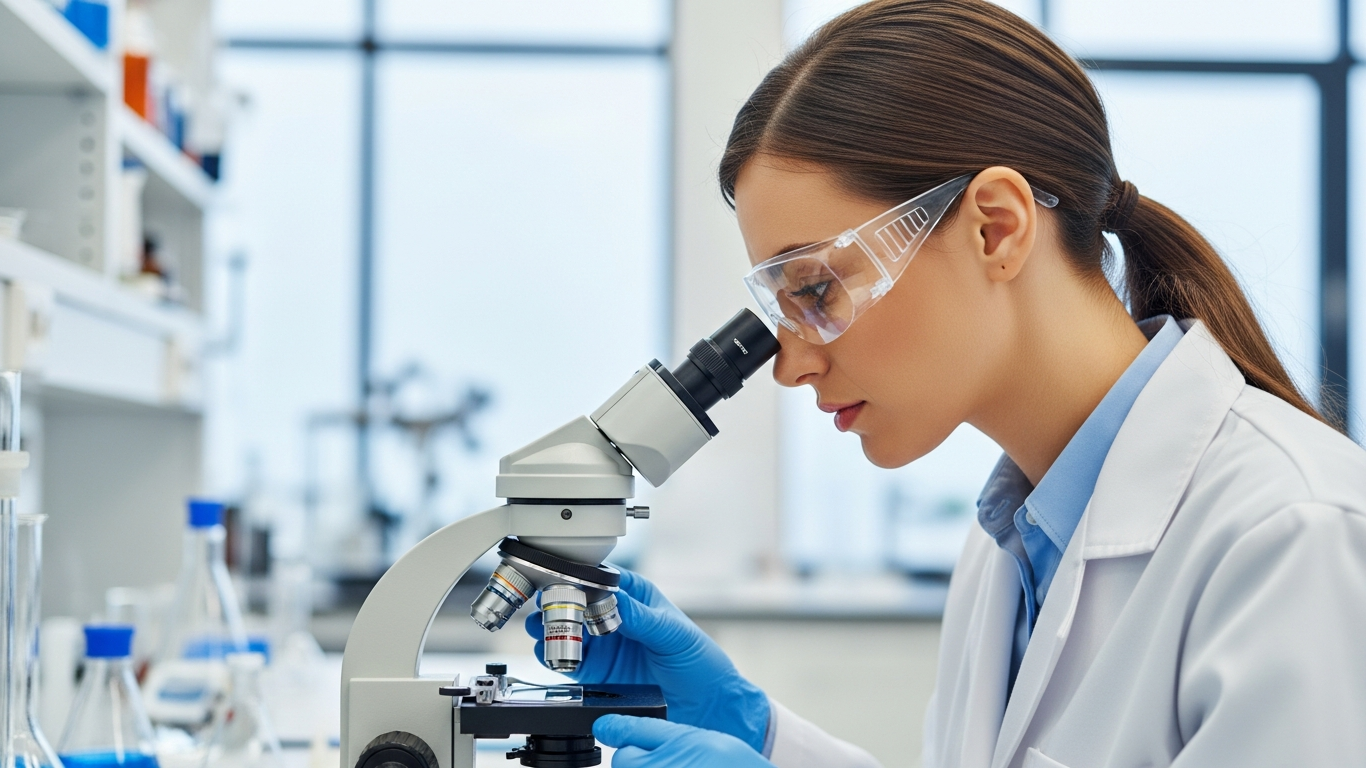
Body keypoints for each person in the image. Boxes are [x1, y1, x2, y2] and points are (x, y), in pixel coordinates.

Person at [527, 1, 1366, 765]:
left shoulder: (1291, 534)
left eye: (817, 291)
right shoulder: (1013, 542)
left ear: (995, 228)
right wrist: (759, 734)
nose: (792, 363)